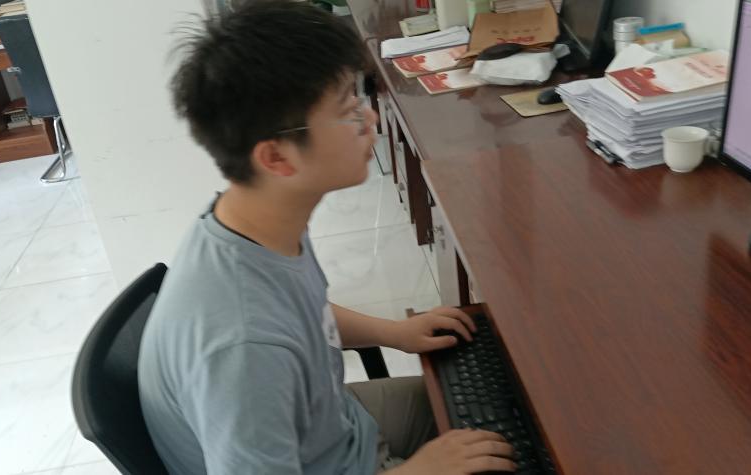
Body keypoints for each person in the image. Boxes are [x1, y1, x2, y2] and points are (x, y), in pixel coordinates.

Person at [136, 1, 516, 474]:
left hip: (340, 425)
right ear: (276, 158)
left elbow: (299, 312)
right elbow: (266, 334)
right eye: (348, 111)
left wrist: (393, 333)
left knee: (505, 408)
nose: (369, 120)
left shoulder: (251, 223)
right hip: (334, 458)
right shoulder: (242, 349)